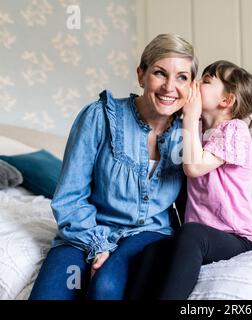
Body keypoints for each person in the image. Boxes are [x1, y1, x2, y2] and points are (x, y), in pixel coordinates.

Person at [29, 33, 198, 300]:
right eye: (159, 73)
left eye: (182, 77)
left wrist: (237, 228)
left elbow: (198, 200)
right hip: (83, 233)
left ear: (191, 87)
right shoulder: (99, 117)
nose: (169, 87)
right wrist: (98, 246)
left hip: (149, 237)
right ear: (141, 75)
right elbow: (69, 197)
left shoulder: (189, 134)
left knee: (106, 289)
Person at [131, 60, 252, 300]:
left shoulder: (235, 130)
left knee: (191, 235)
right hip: (199, 235)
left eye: (207, 80)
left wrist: (190, 116)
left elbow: (193, 167)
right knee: (150, 252)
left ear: (226, 101)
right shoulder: (198, 130)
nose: (196, 83)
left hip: (234, 237)